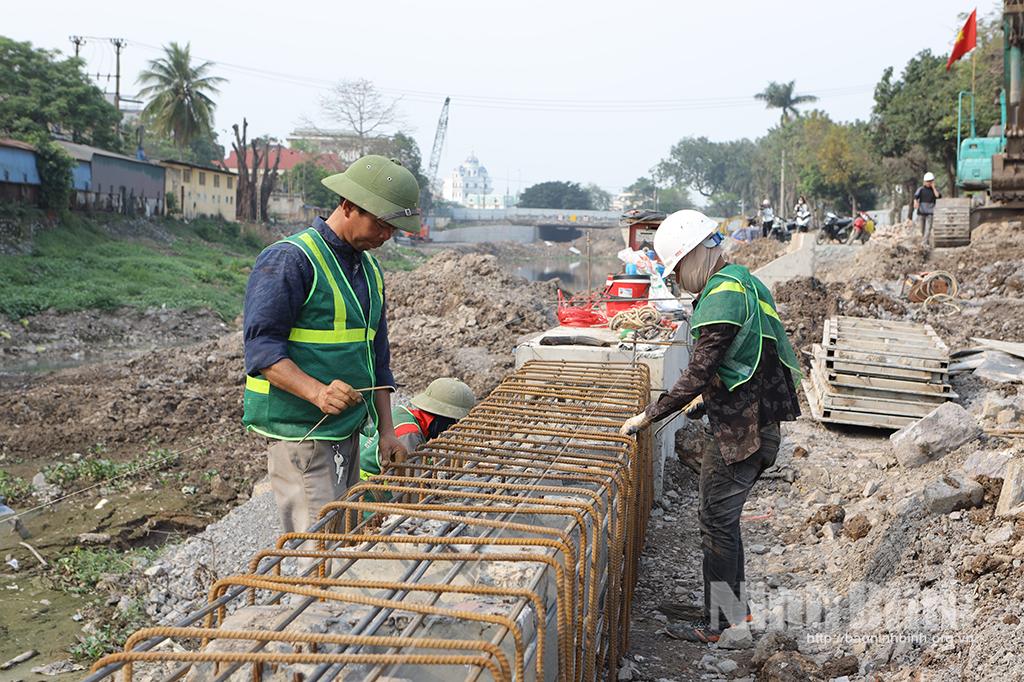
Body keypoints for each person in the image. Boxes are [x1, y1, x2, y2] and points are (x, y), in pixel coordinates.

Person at [620, 209, 802, 643]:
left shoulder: (721, 294)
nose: (679, 280)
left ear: (698, 254)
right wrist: (706, 400)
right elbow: (744, 357)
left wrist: (649, 415)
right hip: (755, 419)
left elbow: (700, 369)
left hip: (743, 432)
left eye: (679, 268)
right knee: (724, 520)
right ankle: (733, 613)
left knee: (715, 521)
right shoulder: (744, 281)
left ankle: (720, 625)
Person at [242, 154, 421, 542]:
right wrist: (317, 392)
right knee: (320, 545)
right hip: (304, 434)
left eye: (394, 228)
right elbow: (262, 350)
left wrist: (387, 431)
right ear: (347, 206)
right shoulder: (291, 260)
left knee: (345, 535)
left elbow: (378, 358)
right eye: (381, 223)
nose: (386, 235)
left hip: (348, 432)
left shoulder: (368, 270)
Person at [359, 377, 476, 480]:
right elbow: (410, 487)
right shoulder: (409, 434)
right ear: (442, 418)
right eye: (451, 424)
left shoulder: (401, 413)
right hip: (366, 494)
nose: (447, 430)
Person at [913, 172, 941, 243]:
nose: (929, 183)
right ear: (924, 182)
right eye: (927, 181)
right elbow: (915, 197)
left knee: (928, 229)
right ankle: (926, 242)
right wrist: (915, 202)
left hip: (930, 213)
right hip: (921, 212)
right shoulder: (921, 189)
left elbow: (938, 196)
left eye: (930, 181)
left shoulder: (934, 190)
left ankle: (924, 244)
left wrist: (933, 187)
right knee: (922, 230)